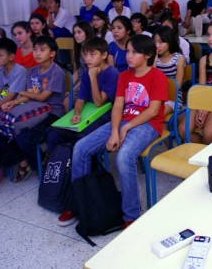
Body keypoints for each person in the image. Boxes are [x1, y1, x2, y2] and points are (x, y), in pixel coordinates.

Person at [72, 35, 168, 227]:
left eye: (134, 52)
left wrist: (126, 127)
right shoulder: (124, 76)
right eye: (128, 51)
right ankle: (81, 203)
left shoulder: (157, 76)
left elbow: (153, 111)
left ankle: (130, 215)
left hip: (148, 124)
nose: (128, 56)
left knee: (124, 157)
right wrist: (115, 131)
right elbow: (117, 106)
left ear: (148, 55)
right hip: (123, 121)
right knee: (81, 147)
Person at [53, 37, 119, 226]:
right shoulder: (88, 71)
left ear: (104, 55)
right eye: (85, 54)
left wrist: (92, 77)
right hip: (87, 115)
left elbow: (99, 102)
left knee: (80, 142)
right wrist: (76, 114)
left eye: (92, 54)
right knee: (54, 135)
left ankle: (80, 196)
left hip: (105, 117)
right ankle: (60, 185)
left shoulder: (111, 73)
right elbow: (81, 99)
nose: (87, 58)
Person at [0, 36, 66, 182]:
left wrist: (22, 92)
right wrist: (15, 102)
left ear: (52, 53)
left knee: (23, 137)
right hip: (32, 110)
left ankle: (39, 165)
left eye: (42, 50)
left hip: (51, 113)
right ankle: (23, 160)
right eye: (35, 49)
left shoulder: (56, 72)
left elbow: (42, 97)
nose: (37, 53)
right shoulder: (32, 71)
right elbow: (30, 96)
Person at [154, 26, 186, 116]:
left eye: (161, 42)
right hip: (155, 96)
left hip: (172, 99)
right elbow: (150, 80)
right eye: (155, 42)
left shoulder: (179, 59)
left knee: (156, 114)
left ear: (169, 42)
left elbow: (177, 85)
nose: (157, 45)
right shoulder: (153, 58)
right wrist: (154, 62)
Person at [67, 21, 95, 112]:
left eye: (79, 32)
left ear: (87, 32)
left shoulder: (93, 49)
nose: (76, 35)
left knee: (68, 99)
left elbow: (89, 74)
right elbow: (77, 70)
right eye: (74, 33)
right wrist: (69, 86)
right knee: (65, 93)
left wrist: (73, 90)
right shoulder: (77, 49)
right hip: (80, 78)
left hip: (90, 79)